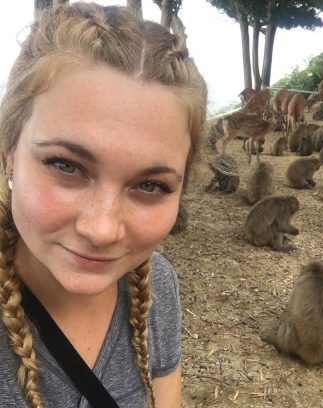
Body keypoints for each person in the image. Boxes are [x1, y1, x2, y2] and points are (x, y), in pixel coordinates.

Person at [0, 2, 206, 407]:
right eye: (66, 165)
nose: (101, 229)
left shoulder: (156, 284)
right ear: (8, 154)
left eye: (150, 185)